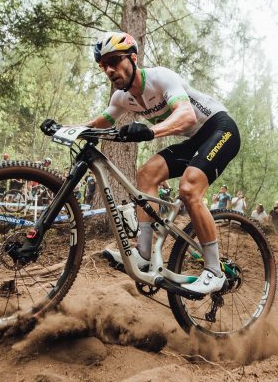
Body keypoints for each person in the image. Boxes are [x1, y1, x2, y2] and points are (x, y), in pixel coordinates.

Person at [92, 31, 241, 294]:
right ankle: (144, 254)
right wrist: (67, 129)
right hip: (195, 140)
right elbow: (101, 123)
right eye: (104, 65)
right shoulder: (121, 98)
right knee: (146, 174)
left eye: (114, 60)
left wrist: (150, 131)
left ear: (133, 58)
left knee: (189, 188)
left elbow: (186, 116)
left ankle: (214, 271)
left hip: (221, 129)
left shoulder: (160, 77)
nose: (109, 70)